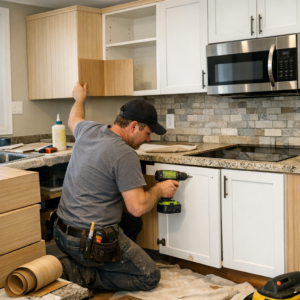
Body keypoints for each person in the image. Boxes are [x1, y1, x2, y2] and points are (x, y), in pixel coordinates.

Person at [53, 82, 179, 291]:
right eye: (147, 133)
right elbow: (137, 207)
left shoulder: (89, 130)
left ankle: (97, 262)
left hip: (60, 233)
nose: (148, 139)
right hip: (88, 242)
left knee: (132, 224)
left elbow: (73, 119)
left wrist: (80, 99)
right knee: (149, 276)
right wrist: (160, 189)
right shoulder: (124, 153)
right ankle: (84, 272)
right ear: (133, 126)